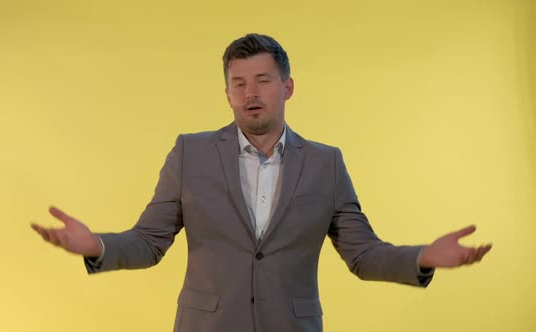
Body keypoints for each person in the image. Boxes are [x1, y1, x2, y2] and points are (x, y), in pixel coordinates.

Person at [31, 33, 492, 332]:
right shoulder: (189, 153)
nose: (250, 93)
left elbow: (363, 255)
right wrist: (97, 247)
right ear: (227, 92)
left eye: (262, 81)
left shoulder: (326, 164)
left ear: (287, 87)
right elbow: (149, 242)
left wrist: (424, 257)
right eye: (238, 84)